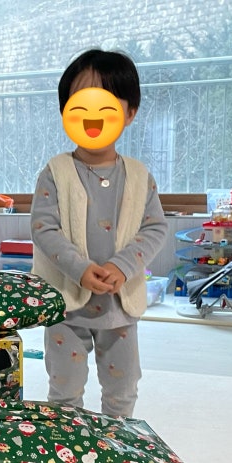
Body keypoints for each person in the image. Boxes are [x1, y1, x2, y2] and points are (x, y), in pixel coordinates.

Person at [30, 49, 168, 417]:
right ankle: (67, 444)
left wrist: (123, 265)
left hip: (119, 309)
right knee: (65, 390)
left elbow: (155, 227)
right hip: (66, 306)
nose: (93, 115)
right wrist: (79, 268)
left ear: (129, 112)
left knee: (123, 389)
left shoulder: (139, 176)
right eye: (81, 102)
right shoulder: (55, 172)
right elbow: (44, 228)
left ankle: (117, 443)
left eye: (105, 103)